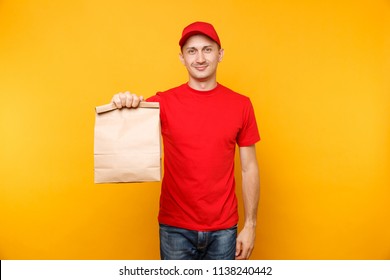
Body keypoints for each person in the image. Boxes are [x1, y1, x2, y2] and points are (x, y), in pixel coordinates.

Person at [111, 21, 261, 260]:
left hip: (224, 229)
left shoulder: (241, 104)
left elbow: (249, 167)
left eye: (207, 49)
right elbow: (125, 128)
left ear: (220, 54)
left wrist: (251, 225)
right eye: (192, 51)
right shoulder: (163, 102)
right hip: (175, 229)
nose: (199, 58)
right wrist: (122, 101)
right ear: (182, 57)